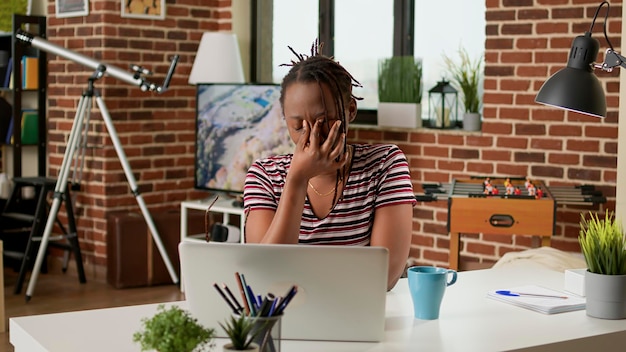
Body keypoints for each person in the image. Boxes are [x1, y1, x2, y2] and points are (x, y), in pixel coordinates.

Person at [243, 40, 416, 290]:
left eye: (324, 121)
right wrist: (297, 179)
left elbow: (384, 277)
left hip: (358, 314)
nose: (313, 134)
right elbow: (265, 274)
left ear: (351, 110)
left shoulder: (385, 165)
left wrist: (298, 279)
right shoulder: (264, 175)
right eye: (298, 125)